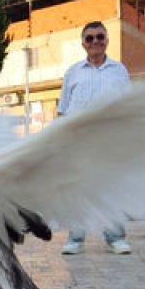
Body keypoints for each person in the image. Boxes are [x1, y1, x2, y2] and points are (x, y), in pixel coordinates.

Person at [57, 21, 132, 255]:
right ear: (83, 43)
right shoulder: (73, 72)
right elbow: (63, 109)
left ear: (107, 40)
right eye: (89, 38)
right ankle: (75, 239)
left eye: (100, 37)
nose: (95, 42)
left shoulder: (119, 71)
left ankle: (116, 237)